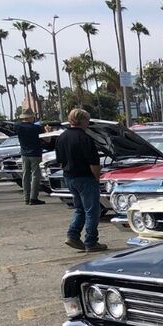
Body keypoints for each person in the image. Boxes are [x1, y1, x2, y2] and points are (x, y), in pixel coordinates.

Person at [57, 108, 106, 252]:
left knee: (79, 209)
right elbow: (94, 163)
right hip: (85, 178)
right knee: (92, 211)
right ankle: (91, 241)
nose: (88, 123)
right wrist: (96, 178)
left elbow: (60, 160)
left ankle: (72, 235)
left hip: (69, 177)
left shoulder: (62, 137)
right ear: (83, 120)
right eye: (87, 120)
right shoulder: (85, 138)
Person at [14, 109, 46, 204]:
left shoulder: (18, 127)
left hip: (24, 153)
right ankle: (33, 197)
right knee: (35, 175)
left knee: (25, 176)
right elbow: (46, 140)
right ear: (31, 117)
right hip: (35, 153)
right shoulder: (37, 128)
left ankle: (26, 197)